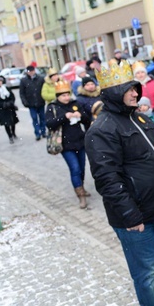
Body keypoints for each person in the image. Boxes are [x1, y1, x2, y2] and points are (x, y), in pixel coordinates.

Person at [85, 60, 154, 306]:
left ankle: (149, 288)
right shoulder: (101, 129)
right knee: (146, 269)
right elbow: (107, 180)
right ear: (113, 92)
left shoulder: (140, 117)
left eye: (135, 87)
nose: (135, 92)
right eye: (128, 88)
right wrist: (130, 216)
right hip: (135, 217)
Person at [46, 79, 92, 209]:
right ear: (58, 96)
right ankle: (81, 196)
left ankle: (81, 187)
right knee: (75, 169)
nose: (66, 98)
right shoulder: (53, 107)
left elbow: (86, 120)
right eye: (63, 95)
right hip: (65, 144)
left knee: (82, 168)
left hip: (79, 141)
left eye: (67, 95)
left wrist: (80, 115)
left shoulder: (75, 103)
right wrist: (64, 117)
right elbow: (49, 124)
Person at [19, 65, 47, 141]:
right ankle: (37, 133)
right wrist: (25, 102)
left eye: (32, 71)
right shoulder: (24, 80)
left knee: (42, 118)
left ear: (34, 71)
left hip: (40, 102)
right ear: (27, 72)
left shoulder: (40, 79)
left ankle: (43, 132)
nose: (31, 73)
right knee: (34, 118)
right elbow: (22, 93)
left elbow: (44, 89)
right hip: (31, 103)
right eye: (29, 71)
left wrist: (44, 98)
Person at [0, 75, 19, 144]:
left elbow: (12, 96)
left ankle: (13, 133)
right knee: (6, 123)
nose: (0, 82)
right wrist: (3, 104)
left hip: (10, 107)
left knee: (13, 122)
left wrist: (11, 102)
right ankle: (10, 136)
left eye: (1, 81)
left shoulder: (6, 88)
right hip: (2, 109)